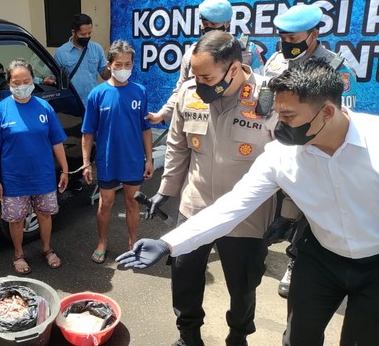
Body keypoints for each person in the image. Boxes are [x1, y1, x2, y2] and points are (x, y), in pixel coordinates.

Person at [117, 59, 379, 346]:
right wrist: (169, 243)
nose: (280, 126)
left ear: (327, 111)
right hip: (320, 258)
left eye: (288, 117)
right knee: (298, 339)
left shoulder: (374, 141)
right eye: (278, 114)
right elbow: (233, 205)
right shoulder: (281, 156)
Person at [146, 31, 277, 346]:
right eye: (195, 75)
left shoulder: (268, 98)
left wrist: (286, 214)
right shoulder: (190, 93)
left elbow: (288, 159)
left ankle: (238, 335)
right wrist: (167, 189)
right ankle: (188, 335)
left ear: (233, 68)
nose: (199, 83)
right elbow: (178, 147)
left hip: (248, 214)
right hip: (196, 205)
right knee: (185, 276)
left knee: (243, 284)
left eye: (207, 76)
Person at [263, 3, 360, 298]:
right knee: (274, 209)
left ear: (314, 34)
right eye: (283, 37)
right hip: (277, 143)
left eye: (294, 38)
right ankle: (261, 249)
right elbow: (265, 97)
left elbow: (344, 114)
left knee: (310, 211)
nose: (287, 44)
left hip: (313, 149)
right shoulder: (276, 60)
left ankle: (296, 261)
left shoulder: (334, 68)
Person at [0, 58, 69, 275]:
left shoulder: (44, 108)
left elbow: (56, 141)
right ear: (9, 82)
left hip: (43, 176)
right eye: (16, 82)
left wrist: (65, 169)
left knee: (45, 214)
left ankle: (47, 250)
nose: (22, 86)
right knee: (16, 219)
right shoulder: (0, 111)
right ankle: (18, 254)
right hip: (13, 178)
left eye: (26, 81)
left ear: (33, 80)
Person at [81, 40, 154, 264]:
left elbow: (145, 128)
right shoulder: (97, 94)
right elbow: (88, 132)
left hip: (133, 159)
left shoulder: (139, 91)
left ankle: (133, 243)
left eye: (128, 64)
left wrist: (149, 159)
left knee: (133, 202)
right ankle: (102, 242)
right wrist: (86, 162)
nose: (124, 69)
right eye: (119, 64)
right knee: (106, 203)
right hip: (107, 160)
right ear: (110, 65)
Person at [146, 0, 266, 126]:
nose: (208, 28)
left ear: (227, 22)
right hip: (201, 120)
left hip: (237, 121)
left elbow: (262, 89)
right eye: (205, 24)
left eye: (214, 24)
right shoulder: (194, 53)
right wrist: (162, 114)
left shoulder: (248, 52)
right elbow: (181, 90)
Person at [54, 13, 111, 107]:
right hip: (72, 106)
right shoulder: (61, 53)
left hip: (93, 103)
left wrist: (111, 66)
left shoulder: (97, 49)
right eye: (83, 34)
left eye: (89, 33)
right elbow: (56, 81)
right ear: (73, 32)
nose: (87, 36)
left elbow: (105, 76)